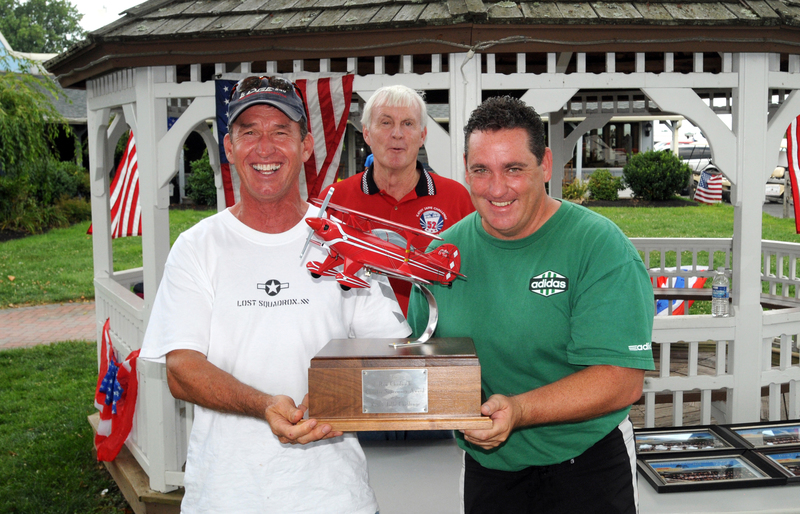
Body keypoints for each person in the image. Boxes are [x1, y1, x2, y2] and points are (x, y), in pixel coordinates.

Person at [139, 76, 410, 514]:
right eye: (249, 132)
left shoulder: (344, 241)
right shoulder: (197, 247)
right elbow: (181, 370)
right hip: (226, 497)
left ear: (306, 146)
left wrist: (337, 399)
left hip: (334, 497)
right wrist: (263, 405)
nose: (264, 149)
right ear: (230, 148)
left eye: (281, 132)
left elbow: (394, 354)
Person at [407, 96, 655, 514]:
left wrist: (519, 410)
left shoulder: (599, 247)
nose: (496, 188)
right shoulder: (441, 255)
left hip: (587, 463)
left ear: (546, 164)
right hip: (489, 466)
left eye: (514, 169)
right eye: (481, 170)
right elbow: (422, 358)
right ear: (465, 168)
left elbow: (622, 379)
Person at [320, 85, 474, 315]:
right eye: (386, 122)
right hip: (355, 333)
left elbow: (475, 273)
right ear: (366, 133)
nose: (397, 134)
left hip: (434, 330)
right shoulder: (334, 199)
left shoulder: (456, 197)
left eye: (408, 123)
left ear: (422, 135)